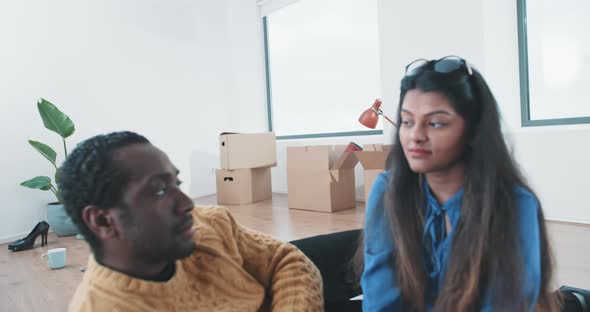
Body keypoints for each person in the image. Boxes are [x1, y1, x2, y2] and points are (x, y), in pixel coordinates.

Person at [360, 56, 557, 311]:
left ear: (473, 130)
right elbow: (380, 301)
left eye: (436, 123)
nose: (415, 136)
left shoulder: (514, 205)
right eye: (407, 121)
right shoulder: (389, 189)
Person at [58, 131, 323, 312]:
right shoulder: (104, 305)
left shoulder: (207, 224)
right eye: (160, 190)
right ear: (102, 220)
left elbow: (285, 259)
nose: (187, 204)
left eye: (177, 183)